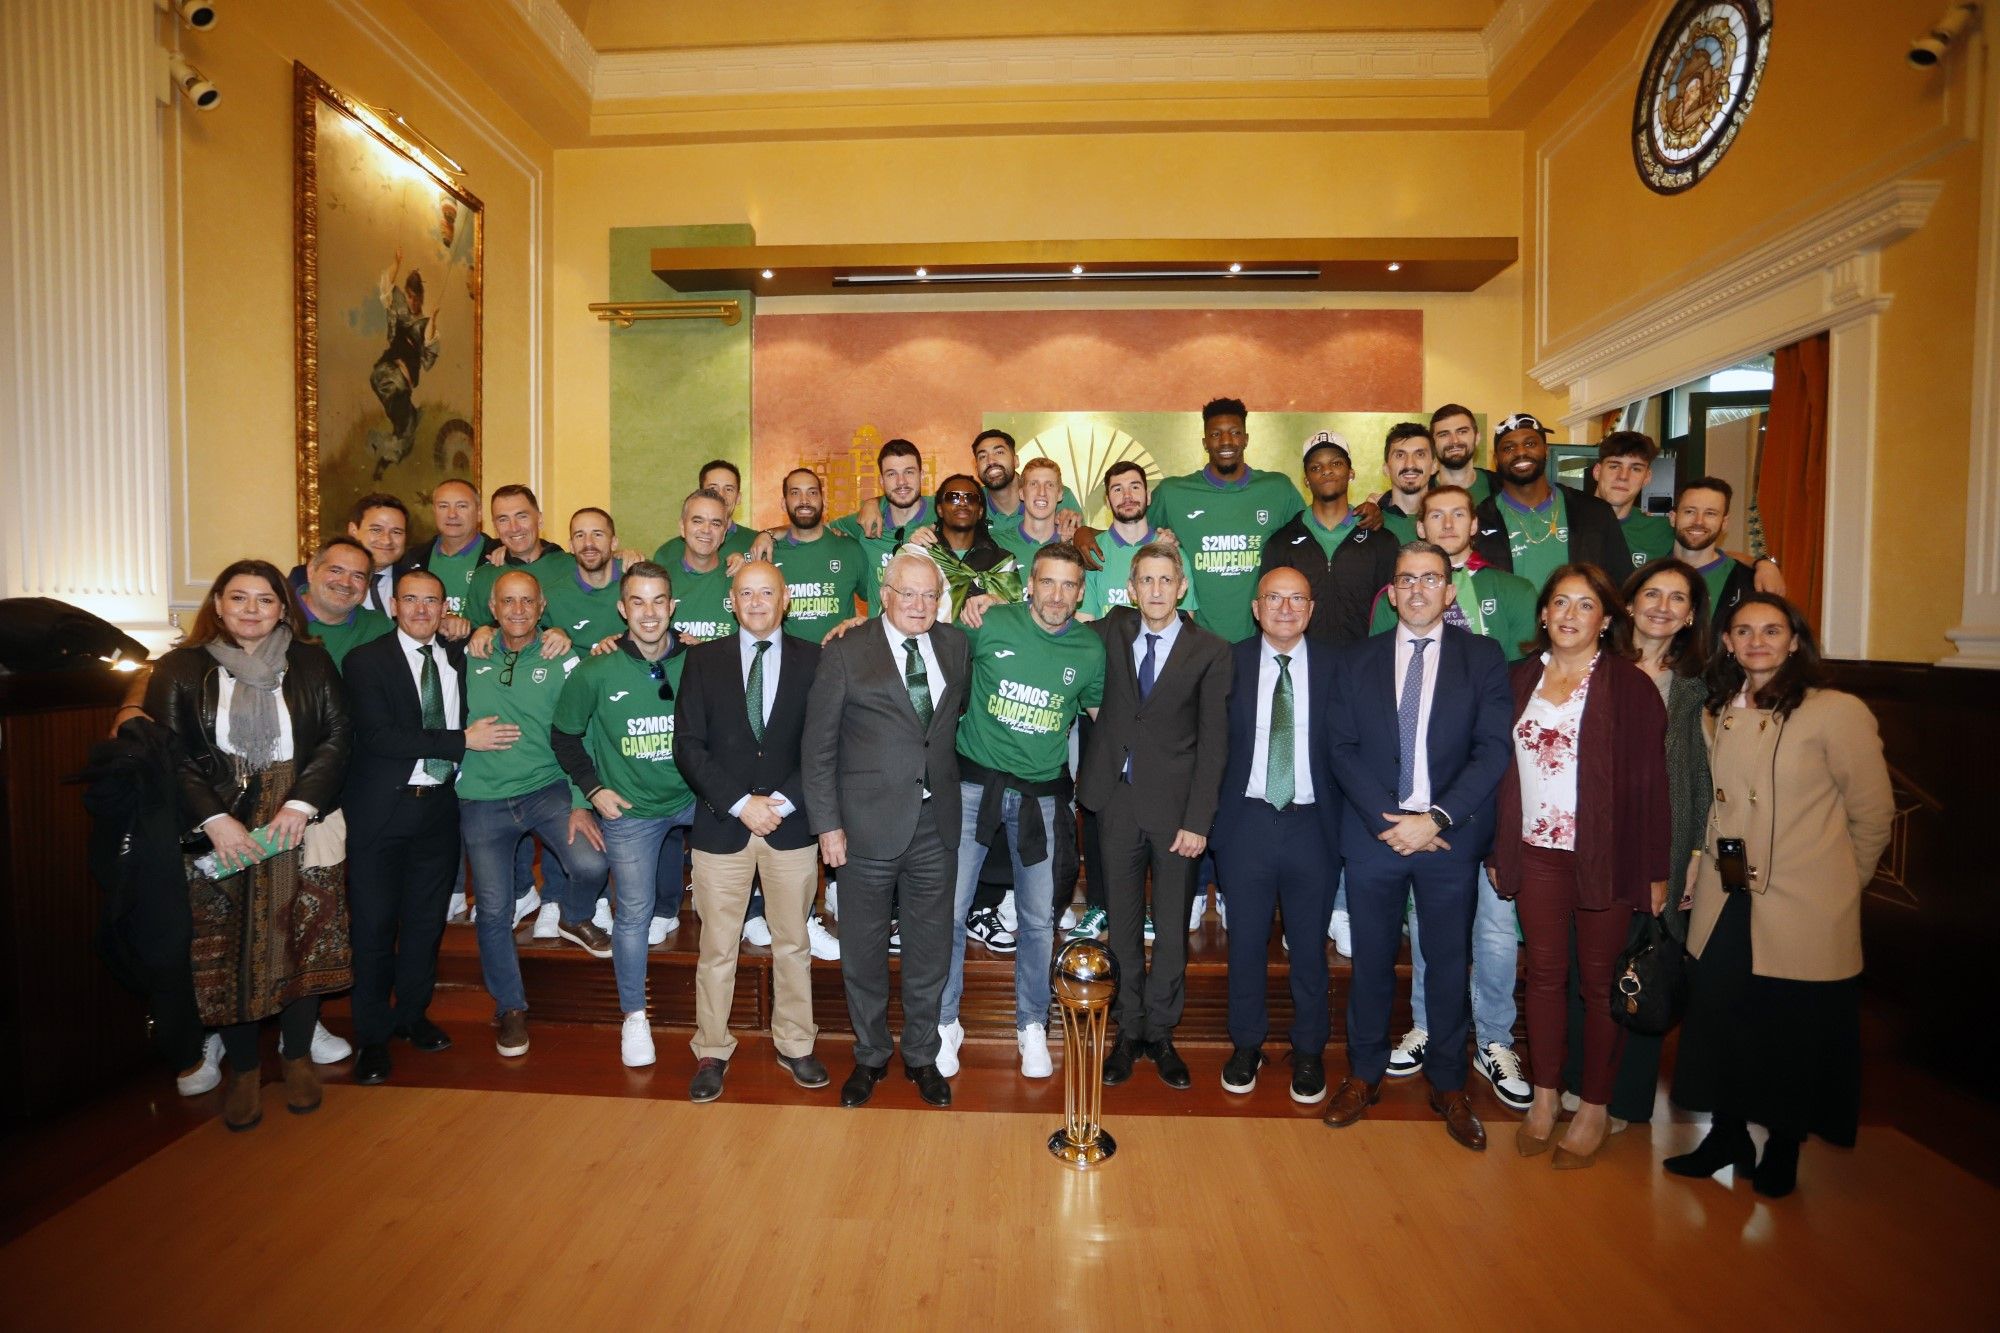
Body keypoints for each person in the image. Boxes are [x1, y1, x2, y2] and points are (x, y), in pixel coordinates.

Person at [1667, 594, 1894, 1199]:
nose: (1757, 641)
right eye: (1743, 631)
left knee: (1793, 1031)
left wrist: (1843, 886)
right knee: (1721, 1018)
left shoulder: (1835, 711)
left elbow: (1873, 815)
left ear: (1795, 640)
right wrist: (1698, 864)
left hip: (1805, 901)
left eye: (1772, 630)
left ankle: (1785, 1145)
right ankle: (1726, 1135)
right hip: (1727, 894)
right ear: (1728, 644)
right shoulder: (1717, 710)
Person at [144, 560, 351, 1131]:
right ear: (217, 604)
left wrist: (299, 804)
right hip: (222, 823)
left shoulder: (310, 661)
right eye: (239, 598)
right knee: (229, 944)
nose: (252, 610)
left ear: (285, 607)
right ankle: (242, 1068)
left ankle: (297, 1055)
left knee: (305, 937)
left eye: (265, 599)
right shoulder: (183, 669)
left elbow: (336, 736)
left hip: (302, 818)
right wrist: (213, 818)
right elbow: (170, 752)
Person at [1326, 541, 1511, 1151]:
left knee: (1448, 961)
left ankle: (1450, 1083)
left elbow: (1492, 750)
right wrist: (1392, 821)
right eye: (1406, 579)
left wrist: (1434, 820)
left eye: (1430, 579)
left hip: (1449, 841)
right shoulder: (1359, 659)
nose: (1417, 589)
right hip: (1376, 837)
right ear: (1392, 591)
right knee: (1372, 964)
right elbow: (1342, 748)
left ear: (1449, 591)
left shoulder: (1483, 658)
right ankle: (1363, 1074)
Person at [1487, 564, 1669, 1167]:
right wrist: (1498, 848)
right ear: (1542, 614)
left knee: (1598, 987)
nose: (1569, 614)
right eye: (1559, 602)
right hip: (1535, 853)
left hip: (1605, 858)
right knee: (1541, 977)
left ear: (1607, 619)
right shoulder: (1517, 680)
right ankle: (1544, 1099)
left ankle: (1593, 1106)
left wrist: (1655, 871)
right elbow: (1497, 774)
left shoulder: (1629, 686)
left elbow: (1651, 786)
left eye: (1585, 605)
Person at [1368, 485, 1536, 1107]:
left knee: (1492, 932)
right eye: (1433, 514)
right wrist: (1404, 816)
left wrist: (1442, 814)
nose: (1445, 523)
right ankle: (1431, 1030)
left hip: (1476, 807)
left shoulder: (1509, 600)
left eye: (1456, 514)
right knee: (1429, 933)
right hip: (1404, 812)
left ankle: (1493, 1040)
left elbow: (1499, 730)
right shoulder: (1390, 611)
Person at [802, 550, 969, 1108]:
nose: (920, 605)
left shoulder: (954, 646)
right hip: (863, 829)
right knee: (864, 953)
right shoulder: (846, 651)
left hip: (934, 825)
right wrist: (827, 826)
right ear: (885, 594)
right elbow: (818, 747)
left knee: (930, 950)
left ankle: (921, 1055)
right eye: (909, 594)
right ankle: (870, 1055)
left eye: (930, 595)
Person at [341, 569, 516, 1085]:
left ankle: (412, 1016)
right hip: (382, 812)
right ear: (394, 605)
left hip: (439, 810)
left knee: (424, 924)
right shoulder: (365, 662)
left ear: (445, 608)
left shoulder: (459, 658)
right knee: (373, 927)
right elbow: (380, 736)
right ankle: (371, 1038)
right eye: (411, 600)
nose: (421, 609)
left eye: (431, 601)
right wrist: (462, 740)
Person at [937, 544, 1105, 1079]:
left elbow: (1104, 715)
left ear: (1081, 592)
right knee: (951, 911)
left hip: (1042, 798)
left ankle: (1032, 1024)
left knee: (1037, 920)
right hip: (973, 789)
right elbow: (929, 654)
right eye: (1047, 583)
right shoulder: (989, 622)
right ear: (1030, 583)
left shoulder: (1090, 649)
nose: (1057, 595)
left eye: (1068, 586)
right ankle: (945, 1023)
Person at [1568, 558, 1714, 1128]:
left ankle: (1627, 1100)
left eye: (1678, 598)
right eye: (1651, 593)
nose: (1662, 606)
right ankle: (1581, 1086)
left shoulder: (1698, 688)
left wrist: (1697, 856)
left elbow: (1704, 778)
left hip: (1665, 852)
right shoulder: (1591, 668)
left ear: (1690, 615)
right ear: (1628, 604)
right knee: (1591, 968)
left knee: (1647, 966)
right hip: (1592, 845)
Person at [673, 561, 827, 1102]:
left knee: (793, 943)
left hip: (791, 824)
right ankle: (711, 1050)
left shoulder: (815, 660)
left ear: (785, 600)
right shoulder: (703, 660)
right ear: (731, 602)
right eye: (746, 593)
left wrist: (779, 802)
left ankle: (795, 1043)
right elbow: (688, 746)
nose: (757, 602)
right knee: (717, 948)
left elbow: (823, 742)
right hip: (723, 826)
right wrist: (742, 804)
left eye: (767, 593)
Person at [1081, 545, 1231, 1090]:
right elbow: (1052, 620)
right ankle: (1128, 1030)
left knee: (1170, 929)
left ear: (1182, 586)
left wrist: (1199, 820)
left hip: (1175, 816)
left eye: (1167, 580)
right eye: (1147, 580)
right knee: (1120, 925)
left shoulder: (1211, 651)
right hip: (1115, 804)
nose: (1157, 590)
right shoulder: (1110, 631)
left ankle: (1161, 1033)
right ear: (1131, 587)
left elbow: (1214, 745)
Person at [456, 570, 611, 1059]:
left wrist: (582, 800)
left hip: (547, 790)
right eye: (507, 602)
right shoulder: (469, 654)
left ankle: (575, 914)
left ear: (542, 606)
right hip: (482, 798)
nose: (517, 610)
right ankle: (511, 1007)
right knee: (494, 911)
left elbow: (579, 729)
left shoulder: (561, 654)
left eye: (527, 601)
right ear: (493, 608)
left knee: (591, 863)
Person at [551, 562, 697, 1069]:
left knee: (749, 870)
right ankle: (634, 1016)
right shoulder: (594, 670)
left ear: (673, 606)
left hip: (696, 797)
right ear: (622, 609)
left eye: (659, 601)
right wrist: (592, 789)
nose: (650, 612)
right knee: (630, 913)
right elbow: (564, 735)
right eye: (638, 602)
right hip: (631, 808)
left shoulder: (699, 662)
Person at [1208, 567, 1339, 1101]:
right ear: (1256, 608)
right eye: (1274, 598)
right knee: (1245, 943)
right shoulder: (1229, 663)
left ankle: (1309, 1051)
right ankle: (1246, 1045)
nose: (1286, 608)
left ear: (1311, 609)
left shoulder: (1338, 665)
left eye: (1297, 598)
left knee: (1309, 946)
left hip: (1315, 824)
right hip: (1247, 822)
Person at [1146, 397, 1306, 645]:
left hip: (1260, 643)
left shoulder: (1277, 489)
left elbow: (1314, 536)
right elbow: (1131, 534)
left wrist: (1376, 508)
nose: (1226, 441)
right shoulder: (1173, 493)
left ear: (1246, 438)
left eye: (1234, 433)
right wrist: (1088, 533)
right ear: (1205, 442)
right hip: (1195, 644)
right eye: (1216, 434)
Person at [1258, 430, 1397, 643]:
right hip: (1305, 665)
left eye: (1336, 463)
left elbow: (1393, 610)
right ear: (1306, 480)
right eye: (1316, 467)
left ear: (1351, 472)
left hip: (1366, 664)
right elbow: (1268, 611)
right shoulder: (1281, 543)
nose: (1326, 471)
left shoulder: (1381, 541)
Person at [1473, 413, 1632, 588]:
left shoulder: (1594, 512)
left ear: (1546, 450)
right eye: (1508, 448)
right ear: (1496, 459)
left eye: (1530, 444)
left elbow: (1622, 584)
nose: (1520, 452)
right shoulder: (1479, 521)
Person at [1079, 461, 1199, 621]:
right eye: (1117, 489)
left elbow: (1183, 629)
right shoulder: (1091, 553)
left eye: (1134, 487)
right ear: (1107, 501)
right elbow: (1086, 625)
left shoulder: (1174, 553)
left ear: (1148, 497)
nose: (1127, 496)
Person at [830, 437, 935, 612]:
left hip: (931, 634)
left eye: (909, 472)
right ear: (881, 481)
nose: (901, 482)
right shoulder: (865, 521)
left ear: (921, 475)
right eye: (892, 474)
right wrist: (771, 534)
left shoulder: (944, 512)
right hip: (879, 636)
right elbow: (812, 531)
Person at [769, 467, 867, 645]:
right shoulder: (769, 554)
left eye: (812, 493)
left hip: (841, 664)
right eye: (795, 493)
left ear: (824, 502)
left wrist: (863, 624)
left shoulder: (851, 549)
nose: (804, 500)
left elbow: (881, 600)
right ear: (783, 503)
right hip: (789, 666)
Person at [286, 493, 411, 616]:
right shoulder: (303, 577)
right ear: (353, 530)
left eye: (396, 532)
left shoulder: (415, 581)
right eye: (376, 530)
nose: (386, 540)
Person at [926, 473, 1023, 620]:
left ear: (980, 512)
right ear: (940, 509)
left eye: (971, 498)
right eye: (953, 497)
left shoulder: (1002, 562)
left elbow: (1014, 619)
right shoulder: (920, 555)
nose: (963, 503)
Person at [1670, 476, 1761, 623]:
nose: (1699, 521)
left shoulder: (1749, 582)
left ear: (1724, 523)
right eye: (1689, 511)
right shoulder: (1650, 573)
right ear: (1673, 518)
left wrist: (1765, 564)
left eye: (1710, 513)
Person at [297, 536, 394, 668]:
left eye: (357, 576)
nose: (345, 583)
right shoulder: (277, 617)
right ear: (311, 571)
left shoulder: (380, 628)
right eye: (336, 571)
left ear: (367, 585)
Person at [539, 507, 629, 650]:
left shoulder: (637, 583)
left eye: (597, 534)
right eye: (580, 535)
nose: (588, 543)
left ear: (614, 543)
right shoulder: (553, 597)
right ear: (571, 546)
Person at [425, 476, 502, 636]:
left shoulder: (499, 554)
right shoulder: (413, 558)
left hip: (483, 655)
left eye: (462, 506)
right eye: (443, 506)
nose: (452, 514)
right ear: (434, 511)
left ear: (479, 513)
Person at [972, 429, 1082, 538]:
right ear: (977, 469)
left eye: (999, 452)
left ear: (1016, 461)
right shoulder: (972, 503)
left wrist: (1082, 531)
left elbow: (1085, 540)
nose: (991, 461)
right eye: (982, 456)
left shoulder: (1055, 494)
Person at [664, 488, 741, 644]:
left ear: (724, 533)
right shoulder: (660, 580)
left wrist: (704, 653)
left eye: (715, 523)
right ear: (682, 527)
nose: (706, 530)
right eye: (697, 521)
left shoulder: (740, 581)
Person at [1592, 431, 1674, 571]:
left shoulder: (1662, 531)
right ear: (1597, 472)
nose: (1623, 476)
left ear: (1647, 477)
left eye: (1636, 469)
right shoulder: (1567, 519)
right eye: (1614, 466)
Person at [654, 459, 758, 568]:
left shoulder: (757, 542)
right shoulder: (667, 553)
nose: (721, 495)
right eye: (713, 488)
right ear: (701, 493)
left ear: (738, 498)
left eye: (729, 489)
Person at [991, 456, 1071, 571]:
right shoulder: (997, 545)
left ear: (1060, 495)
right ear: (1021, 493)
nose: (1041, 492)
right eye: (1033, 484)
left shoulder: (1074, 546)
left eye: (1049, 485)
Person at [1375, 423, 1437, 544]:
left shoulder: (1450, 522)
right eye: (1400, 455)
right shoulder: (1369, 522)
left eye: (1420, 454)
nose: (1410, 464)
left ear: (1434, 466)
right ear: (1386, 468)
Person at [1430, 403, 1498, 505]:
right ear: (1433, 443)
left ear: (1477, 438)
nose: (1454, 441)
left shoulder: (1502, 486)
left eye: (1462, 432)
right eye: (1444, 434)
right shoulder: (1421, 491)